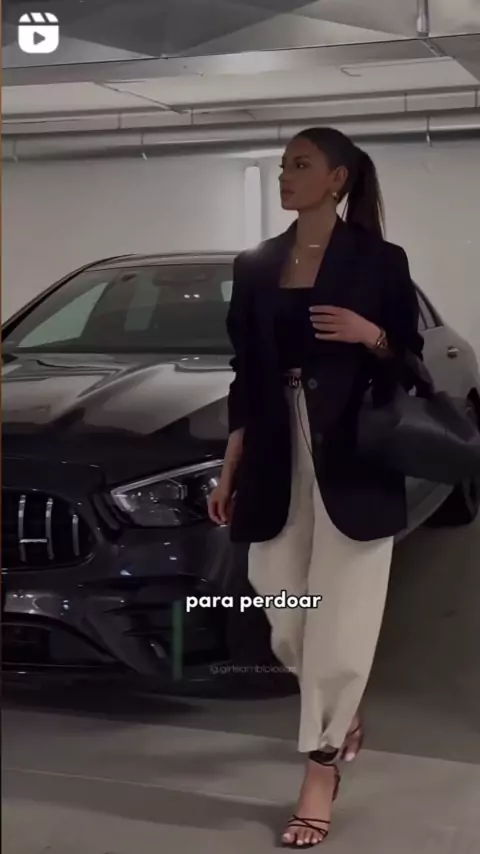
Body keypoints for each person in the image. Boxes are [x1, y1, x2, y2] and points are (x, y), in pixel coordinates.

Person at [208, 126, 424, 848]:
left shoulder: (380, 260)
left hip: (354, 453)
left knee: (344, 620)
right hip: (276, 448)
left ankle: (321, 767)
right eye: (281, 166)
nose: (284, 176)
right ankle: (340, 709)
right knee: (281, 603)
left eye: (299, 165)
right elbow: (244, 373)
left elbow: (411, 363)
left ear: (337, 178)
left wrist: (372, 335)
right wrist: (231, 463)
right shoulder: (255, 264)